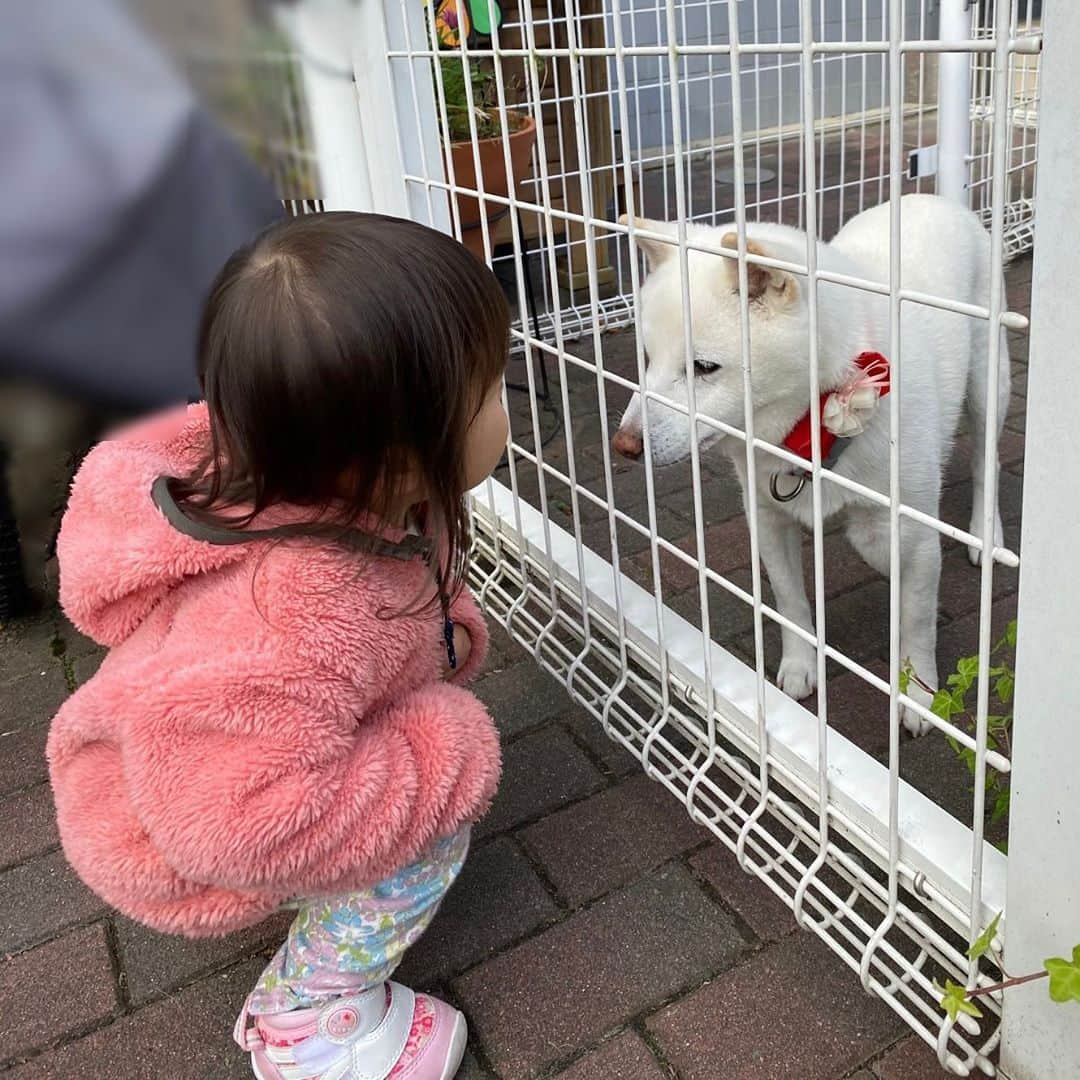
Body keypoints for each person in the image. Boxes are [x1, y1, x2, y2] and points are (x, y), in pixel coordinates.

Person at [47, 213, 509, 1079]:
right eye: (490, 388)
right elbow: (238, 823)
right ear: (397, 453)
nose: (505, 402)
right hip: (187, 825)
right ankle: (304, 1016)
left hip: (201, 763)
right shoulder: (294, 607)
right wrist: (443, 754)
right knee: (429, 837)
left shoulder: (317, 474)